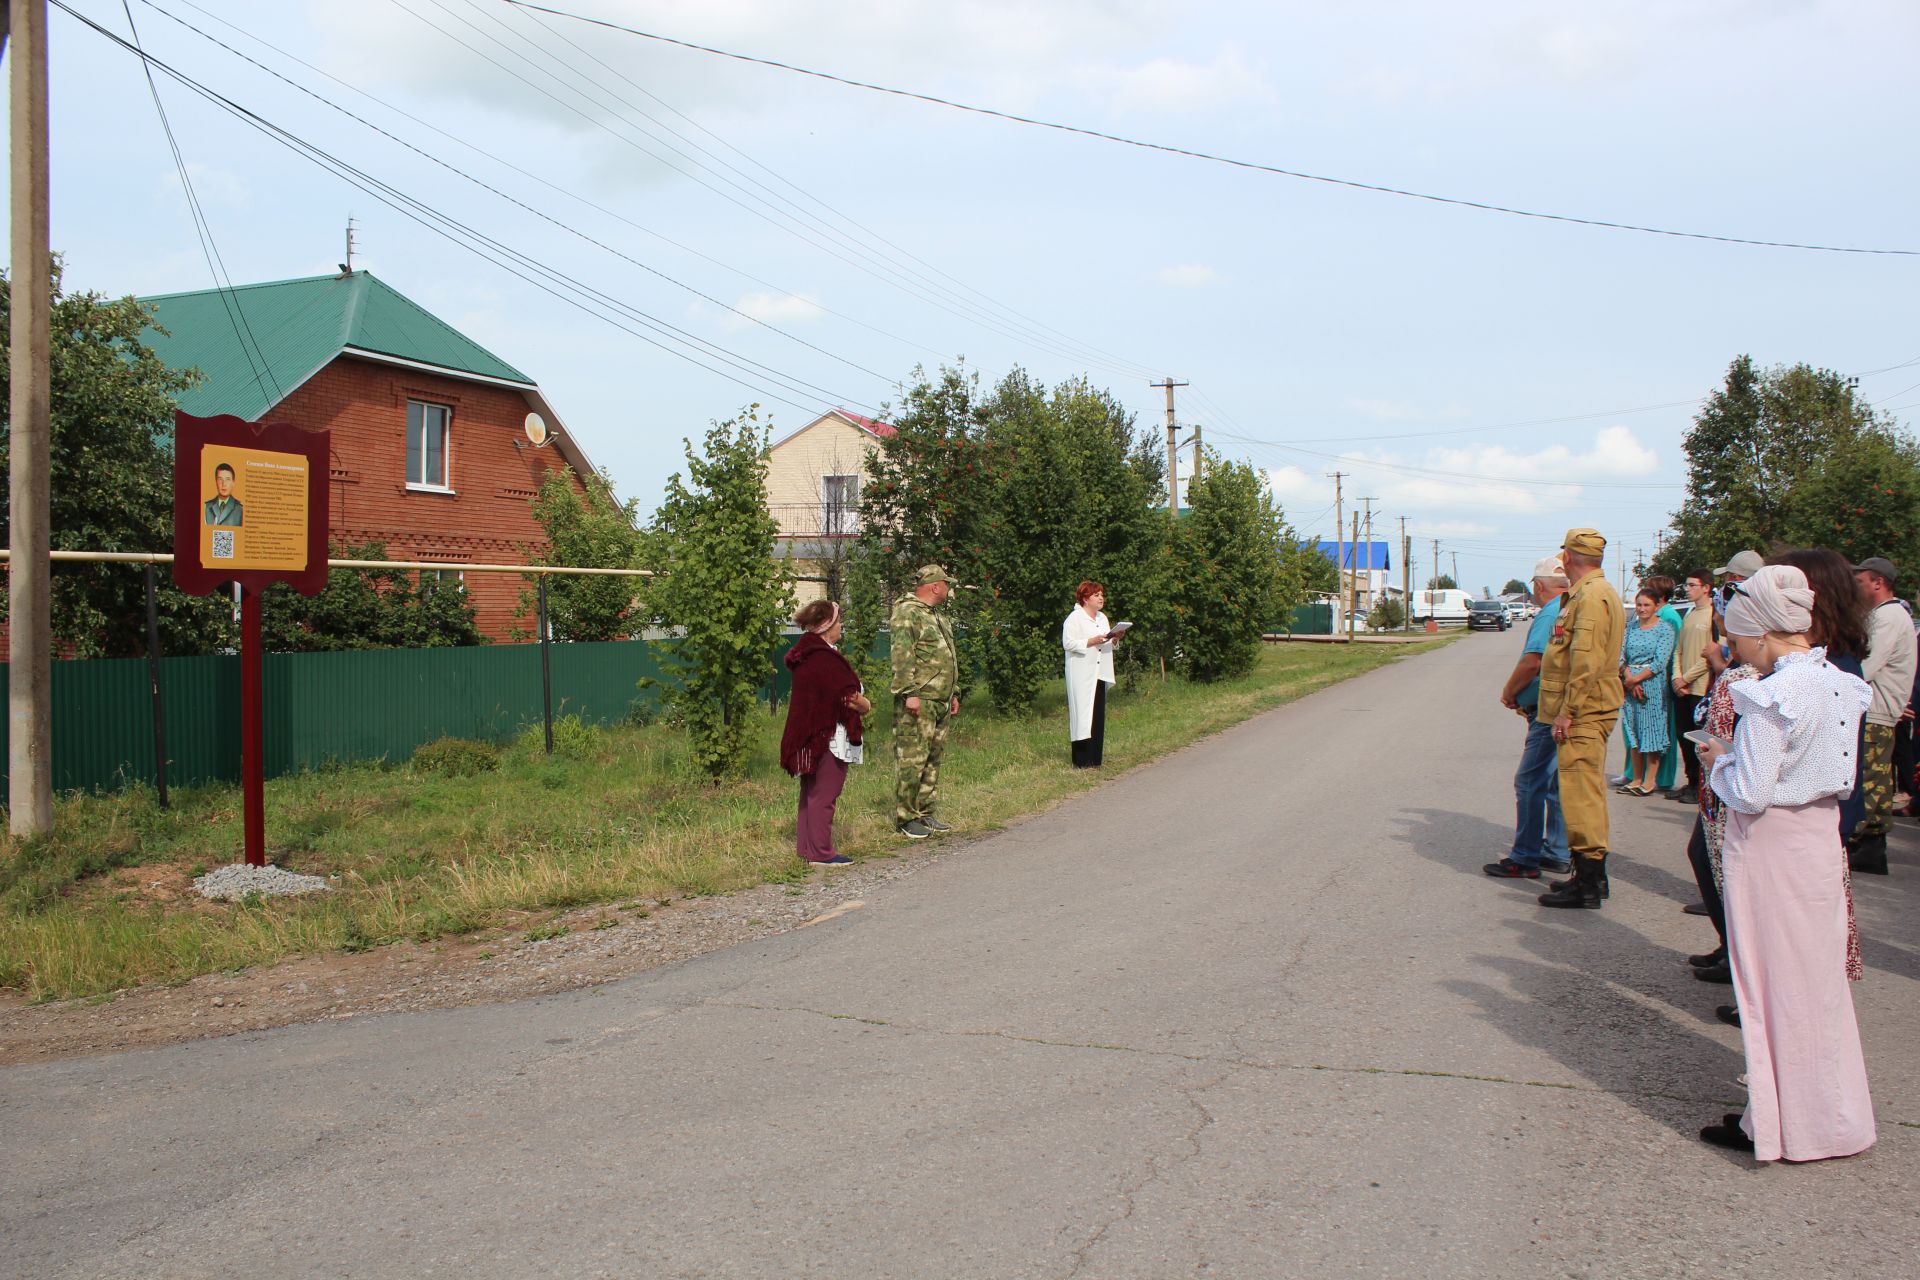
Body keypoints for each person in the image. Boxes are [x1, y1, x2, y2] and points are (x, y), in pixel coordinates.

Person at [1695, 565, 1874, 1162]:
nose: (1734, 649)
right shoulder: (1841, 684)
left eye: (1738, 638)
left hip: (1771, 843)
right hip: (1819, 839)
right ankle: (1827, 1118)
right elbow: (1844, 775)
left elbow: (1747, 790)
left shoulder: (1771, 694)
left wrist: (1720, 755)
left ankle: (1783, 1126)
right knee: (1816, 987)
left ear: (1763, 632)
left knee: (1773, 987)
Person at [1537, 528, 1626, 909]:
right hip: (1589, 706)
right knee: (1583, 792)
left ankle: (1589, 884)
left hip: (1585, 710)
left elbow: (1585, 662)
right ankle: (1589, 876)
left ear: (1568, 558)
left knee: (1581, 795)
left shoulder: (1590, 597)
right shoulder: (1594, 593)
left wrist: (1567, 712)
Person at [1485, 556, 1572, 879]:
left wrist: (1510, 691)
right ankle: (1558, 849)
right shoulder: (1568, 607)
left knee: (1529, 781)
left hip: (1547, 710)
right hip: (1560, 706)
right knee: (1553, 782)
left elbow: (1532, 662)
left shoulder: (1549, 612)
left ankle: (1525, 856)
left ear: (1538, 585)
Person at [779, 601, 871, 866]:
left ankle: (807, 848)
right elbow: (847, 697)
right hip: (828, 735)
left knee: (812, 792)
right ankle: (821, 851)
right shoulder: (823, 658)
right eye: (838, 620)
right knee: (825, 793)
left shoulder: (810, 654)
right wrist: (866, 705)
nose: (841, 625)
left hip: (814, 734)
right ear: (826, 625)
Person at [1847, 556, 1916, 875]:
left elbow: (1870, 663)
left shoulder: (1889, 616)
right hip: (1878, 708)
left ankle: (1869, 847)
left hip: (1875, 710)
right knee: (1873, 776)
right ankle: (1870, 847)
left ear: (1878, 582)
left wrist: (1841, 685)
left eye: (1861, 581)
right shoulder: (1884, 614)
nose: (1856, 587)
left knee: (1870, 778)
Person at [891, 564, 960, 840]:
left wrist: (954, 692)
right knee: (912, 758)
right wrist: (910, 693)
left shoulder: (938, 616)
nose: (948, 589)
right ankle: (906, 818)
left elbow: (946, 656)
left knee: (932, 759)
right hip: (919, 698)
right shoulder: (907, 612)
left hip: (940, 699)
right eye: (946, 583)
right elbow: (902, 655)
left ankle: (925, 812)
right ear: (934, 586)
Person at [1618, 588, 1677, 795]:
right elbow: (1621, 655)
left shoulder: (1665, 629)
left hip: (1652, 684)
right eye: (1639, 604)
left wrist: (1637, 679)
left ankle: (1650, 781)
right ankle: (1636, 778)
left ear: (1655, 607)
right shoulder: (1631, 627)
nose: (1642, 609)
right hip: (1630, 683)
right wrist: (1629, 680)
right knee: (1632, 730)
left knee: (1650, 731)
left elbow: (1661, 661)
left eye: (1646, 605)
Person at [1062, 581, 1122, 768]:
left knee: (1097, 716)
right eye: (1097, 595)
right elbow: (1068, 643)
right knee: (1082, 715)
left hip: (1099, 671)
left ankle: (1095, 759)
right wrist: (1090, 641)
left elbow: (1105, 642)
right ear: (1086, 598)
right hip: (1081, 672)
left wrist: (1114, 639)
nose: (1101, 598)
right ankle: (1081, 761)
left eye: (1102, 594)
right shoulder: (1074, 618)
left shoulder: (1102, 618)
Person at [1668, 569, 1716, 803]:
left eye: (1692, 585)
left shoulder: (1712, 615)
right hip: (1682, 686)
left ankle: (1701, 786)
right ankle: (1690, 781)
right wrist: (1677, 678)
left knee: (1699, 738)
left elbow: (1710, 656)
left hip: (1699, 686)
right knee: (1683, 735)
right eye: (1686, 585)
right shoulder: (1689, 613)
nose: (1687, 589)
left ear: (1706, 587)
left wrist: (1686, 677)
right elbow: (1679, 649)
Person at [203, 462, 244, 526]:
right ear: (216, 481)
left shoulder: (240, 509)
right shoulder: (206, 507)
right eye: (220, 479)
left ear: (233, 482)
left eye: (227, 479)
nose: (224, 484)